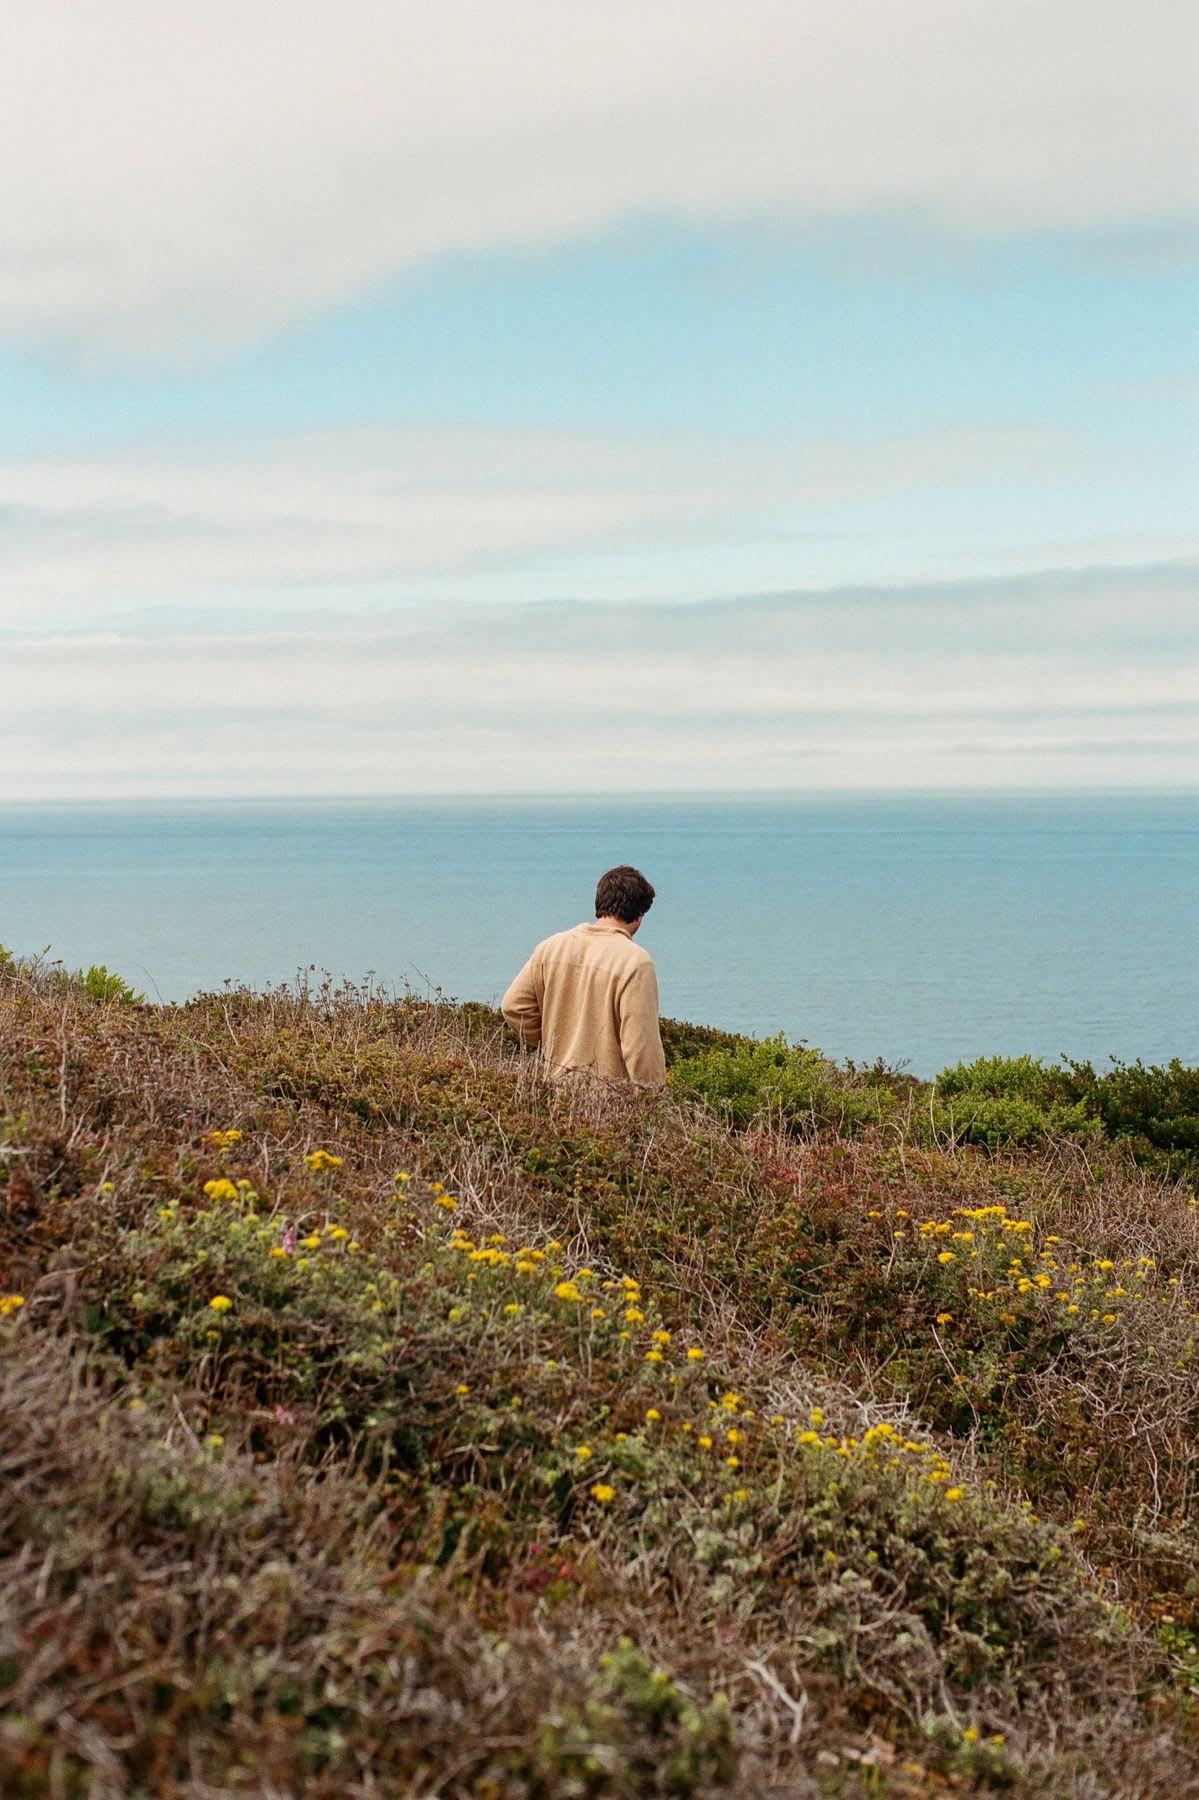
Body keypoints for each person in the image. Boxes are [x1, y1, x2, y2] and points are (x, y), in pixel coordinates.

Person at [501, 865, 667, 1088]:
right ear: (639, 916)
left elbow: (513, 1007)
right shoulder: (636, 962)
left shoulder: (551, 947)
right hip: (610, 1103)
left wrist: (555, 1043)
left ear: (599, 905)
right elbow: (641, 1049)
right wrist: (653, 1101)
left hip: (555, 1095)